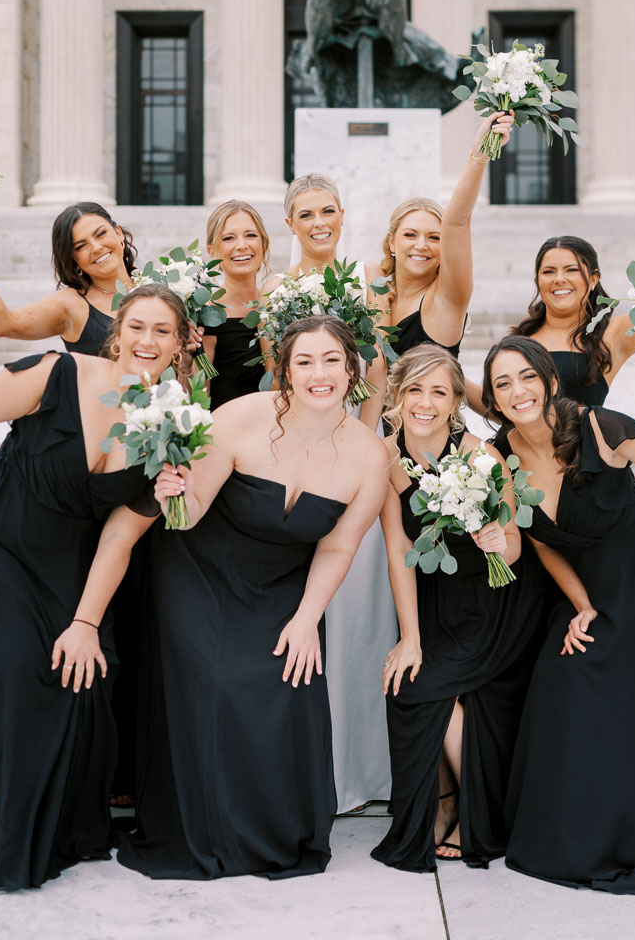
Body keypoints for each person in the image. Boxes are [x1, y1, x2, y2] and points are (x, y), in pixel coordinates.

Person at [0, 284, 191, 890]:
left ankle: (48, 824)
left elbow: (120, 537)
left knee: (80, 674)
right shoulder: (59, 372)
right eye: (138, 325)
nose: (148, 340)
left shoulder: (174, 418)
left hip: (63, 562)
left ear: (182, 343)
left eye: (163, 331)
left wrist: (85, 623)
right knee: (5, 671)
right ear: (118, 330)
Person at [116, 316, 388, 879]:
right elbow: (186, 517)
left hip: (280, 585)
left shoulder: (368, 456)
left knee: (289, 681)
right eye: (305, 362)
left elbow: (337, 550)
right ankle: (208, 827)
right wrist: (171, 490)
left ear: (352, 369)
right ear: (283, 372)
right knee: (218, 680)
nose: (320, 374)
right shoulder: (241, 417)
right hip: (198, 568)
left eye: (332, 361)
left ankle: (274, 831)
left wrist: (307, 618)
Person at [483, 336, 635, 894]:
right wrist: (583, 605)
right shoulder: (498, 454)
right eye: (502, 383)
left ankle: (633, 830)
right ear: (492, 398)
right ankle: (575, 831)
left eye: (526, 377)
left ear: (550, 381)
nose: (517, 391)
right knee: (564, 683)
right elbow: (540, 544)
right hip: (593, 587)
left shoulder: (599, 426)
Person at [370, 345, 546, 873]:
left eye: (439, 392)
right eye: (415, 390)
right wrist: (410, 636)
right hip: (438, 599)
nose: (426, 402)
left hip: (498, 597)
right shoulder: (386, 457)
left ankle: (476, 810)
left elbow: (515, 543)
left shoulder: (479, 455)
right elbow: (400, 552)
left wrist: (498, 538)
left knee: (421, 688)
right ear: (398, 396)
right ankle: (448, 805)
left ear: (454, 403)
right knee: (407, 677)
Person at [262, 173, 395, 813]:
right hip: (299, 461)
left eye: (329, 210)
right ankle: (314, 766)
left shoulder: (367, 283)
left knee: (361, 616)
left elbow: (378, 368)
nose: (319, 222)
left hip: (355, 454)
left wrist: (361, 452)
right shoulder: (276, 292)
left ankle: (363, 770)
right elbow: (274, 377)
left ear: (344, 214)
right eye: (306, 213)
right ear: (290, 224)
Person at [463, 193, 635, 412]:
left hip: (583, 464)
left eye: (571, 270)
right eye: (548, 272)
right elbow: (496, 407)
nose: (559, 279)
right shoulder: (520, 339)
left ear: (594, 278)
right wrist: (448, 372)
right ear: (538, 281)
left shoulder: (613, 333)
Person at [365, 112, 515, 378]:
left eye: (434, 237)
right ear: (392, 242)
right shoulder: (375, 292)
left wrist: (478, 156)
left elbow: (457, 222)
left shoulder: (447, 298)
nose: (421, 245)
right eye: (410, 235)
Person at [0, 201, 138, 355]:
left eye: (101, 234)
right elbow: (4, 324)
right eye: (81, 246)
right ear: (73, 260)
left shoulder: (161, 286)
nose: (96, 247)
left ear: (118, 233)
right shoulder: (71, 305)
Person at [200, 199, 270, 408]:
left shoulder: (278, 305)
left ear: (263, 244)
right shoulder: (206, 313)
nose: (242, 245)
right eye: (229, 238)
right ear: (212, 252)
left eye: (250, 235)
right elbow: (201, 396)